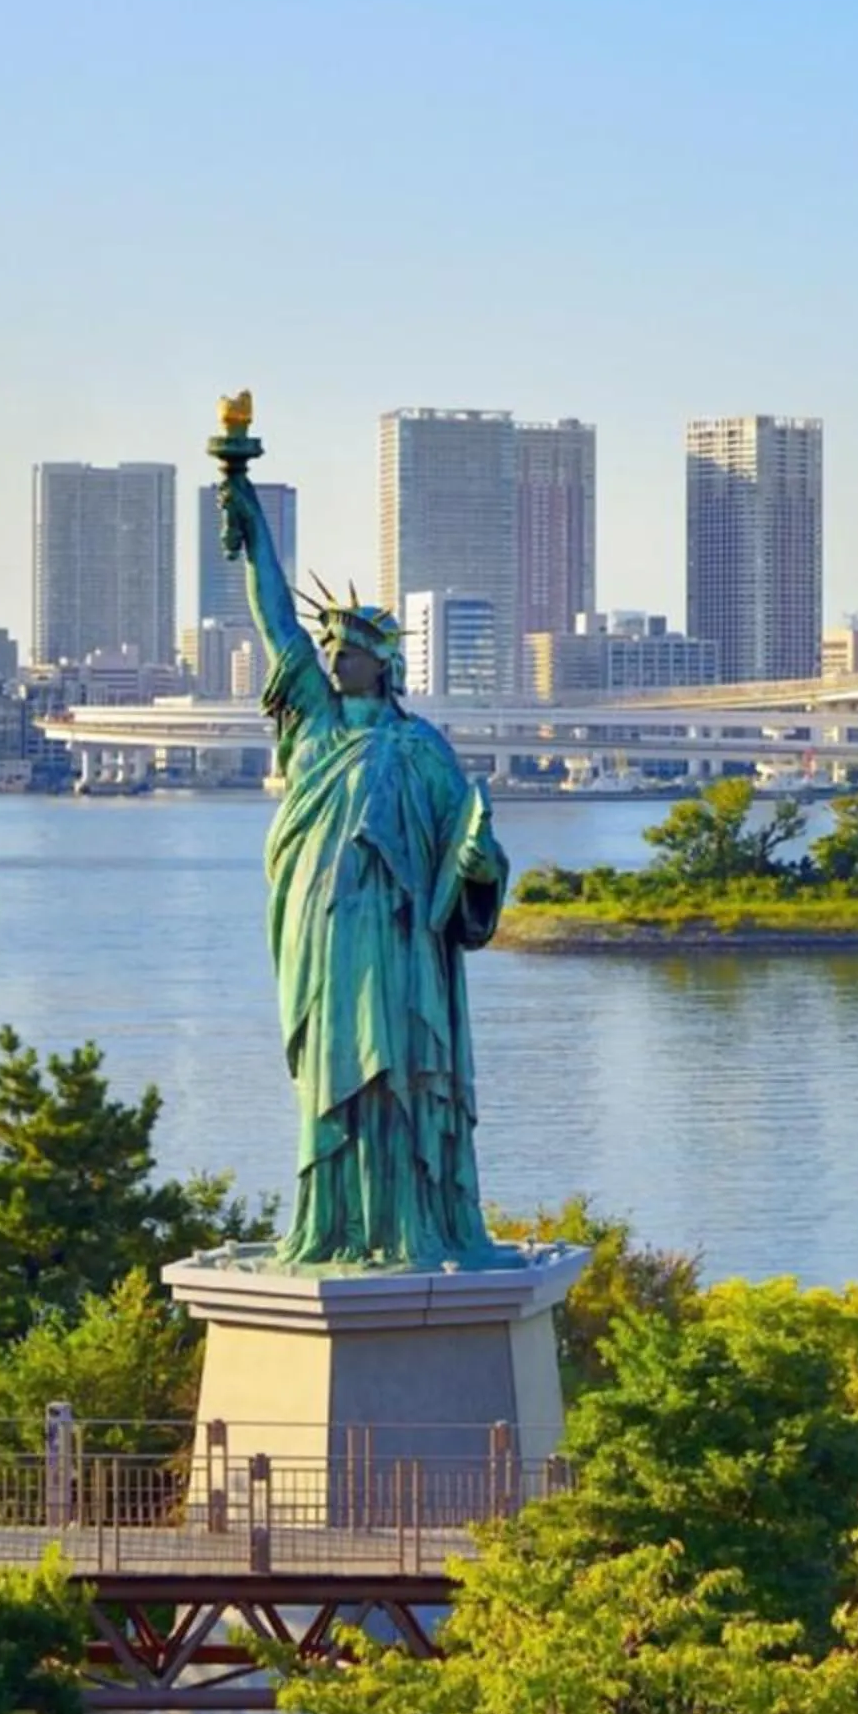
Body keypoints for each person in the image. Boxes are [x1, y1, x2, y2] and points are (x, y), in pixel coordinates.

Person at [220, 462, 512, 1271]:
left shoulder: (421, 748)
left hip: (400, 937)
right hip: (323, 933)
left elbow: (469, 844)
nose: (333, 657)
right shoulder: (310, 723)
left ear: (382, 662)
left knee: (401, 1073)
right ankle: (335, 1223)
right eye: (332, 647)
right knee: (330, 1072)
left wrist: (481, 864)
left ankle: (408, 1221)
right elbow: (275, 621)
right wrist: (251, 527)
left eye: (348, 650)